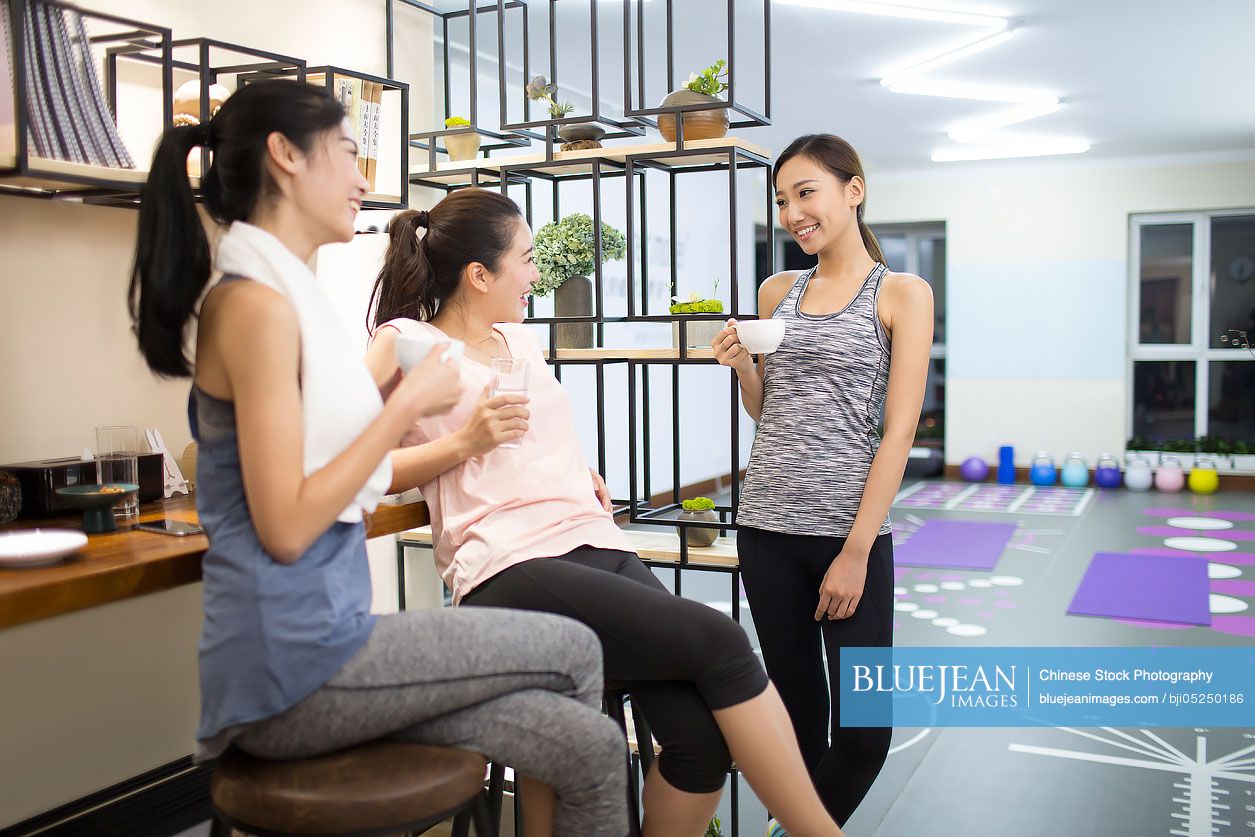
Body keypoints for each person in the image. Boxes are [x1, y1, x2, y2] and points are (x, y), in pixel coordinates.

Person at [127, 79, 627, 837]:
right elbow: (289, 524)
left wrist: (439, 435)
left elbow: (337, 475)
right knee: (577, 648)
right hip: (292, 672)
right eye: (349, 152)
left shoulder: (285, 297)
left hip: (331, 641)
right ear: (285, 156)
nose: (363, 178)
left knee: (588, 742)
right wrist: (405, 404)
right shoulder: (254, 306)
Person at [364, 188, 845, 837]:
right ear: (480, 275)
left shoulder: (518, 338)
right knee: (721, 639)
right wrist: (462, 444)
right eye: (527, 260)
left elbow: (540, 436)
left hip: (589, 538)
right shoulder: (405, 342)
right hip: (507, 560)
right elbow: (355, 466)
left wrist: (573, 470)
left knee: (701, 742)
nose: (537, 275)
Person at [713, 134, 933, 831]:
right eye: (781, 200)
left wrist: (856, 549)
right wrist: (742, 366)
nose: (790, 212)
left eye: (805, 192)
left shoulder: (900, 293)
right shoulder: (777, 291)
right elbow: (766, 408)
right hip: (766, 525)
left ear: (852, 190)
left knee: (866, 730)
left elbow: (897, 431)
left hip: (848, 534)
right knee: (797, 718)